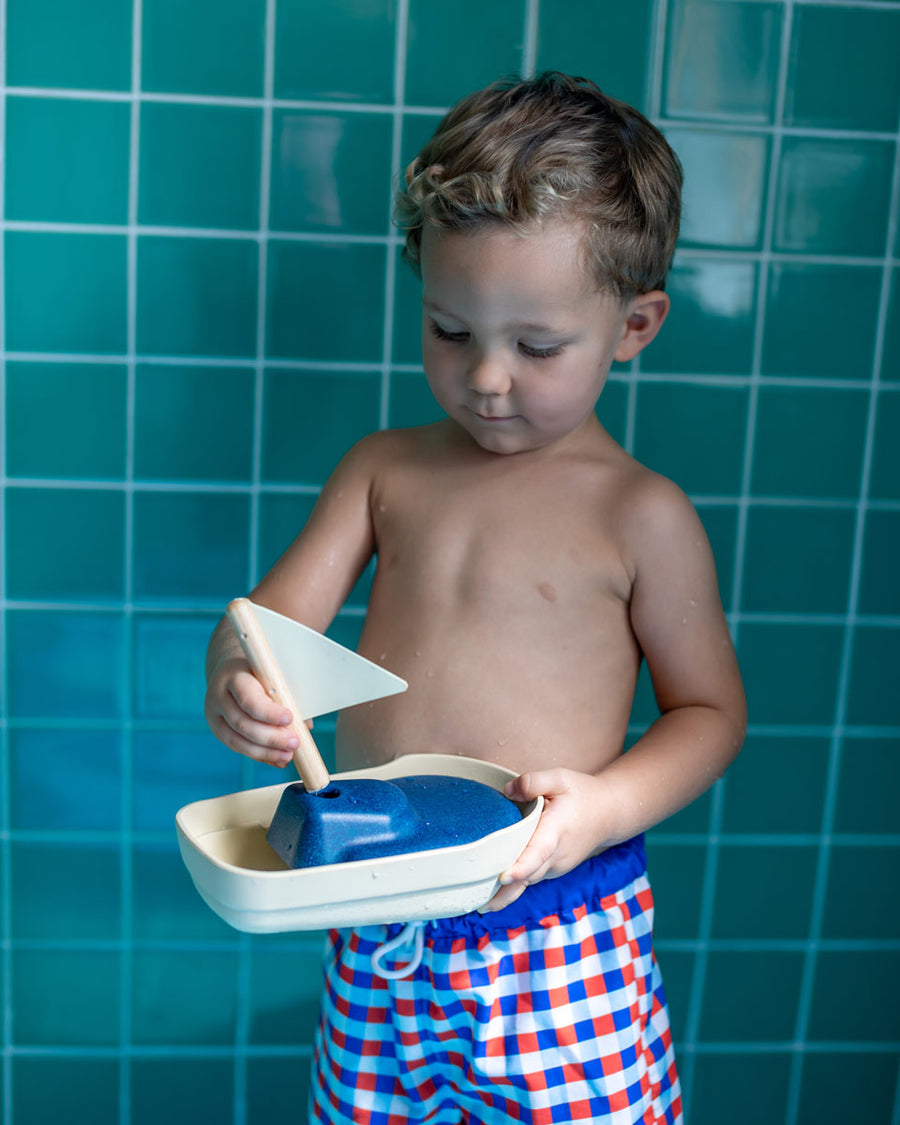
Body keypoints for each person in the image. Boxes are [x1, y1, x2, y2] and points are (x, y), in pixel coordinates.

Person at [205, 72, 746, 1125]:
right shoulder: (384, 473)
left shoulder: (641, 516)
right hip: (378, 920)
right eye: (451, 331)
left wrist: (607, 810)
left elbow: (712, 714)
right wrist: (239, 685)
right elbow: (260, 632)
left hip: (554, 929)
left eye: (536, 347)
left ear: (634, 326)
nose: (487, 377)